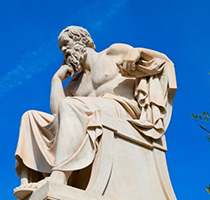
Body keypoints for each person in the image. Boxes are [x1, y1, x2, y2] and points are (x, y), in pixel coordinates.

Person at [14, 26, 172, 199]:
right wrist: (57, 80)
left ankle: (59, 175)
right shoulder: (74, 85)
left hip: (121, 108)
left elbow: (161, 62)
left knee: (71, 105)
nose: (64, 50)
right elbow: (58, 113)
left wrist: (137, 53)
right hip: (90, 110)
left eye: (66, 44)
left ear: (82, 40)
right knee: (30, 116)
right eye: (61, 49)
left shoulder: (112, 52)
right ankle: (28, 183)